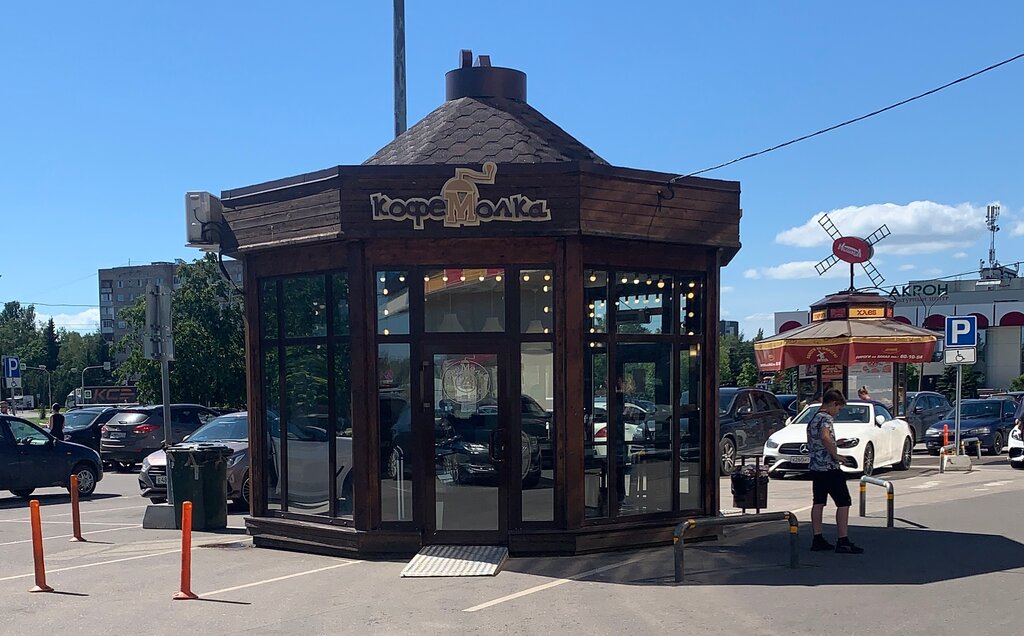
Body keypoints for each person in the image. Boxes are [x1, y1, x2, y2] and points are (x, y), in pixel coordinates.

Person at [808, 388, 864, 554]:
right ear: (833, 404)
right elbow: (825, 437)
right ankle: (843, 540)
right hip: (829, 467)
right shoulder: (826, 418)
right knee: (843, 502)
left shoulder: (813, 418)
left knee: (818, 502)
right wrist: (836, 455)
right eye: (838, 408)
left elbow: (818, 440)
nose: (838, 412)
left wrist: (836, 443)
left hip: (816, 467)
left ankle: (817, 538)